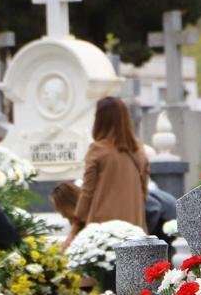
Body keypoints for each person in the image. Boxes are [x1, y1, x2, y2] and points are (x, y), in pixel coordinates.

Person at [61, 96, 149, 250]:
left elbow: (87, 192)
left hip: (102, 229)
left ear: (100, 120)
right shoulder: (139, 151)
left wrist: (76, 224)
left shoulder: (98, 150)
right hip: (134, 228)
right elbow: (144, 193)